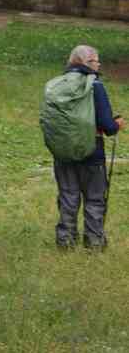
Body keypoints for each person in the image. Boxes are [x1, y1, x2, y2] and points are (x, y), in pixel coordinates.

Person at [52, 44, 123, 250]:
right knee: (94, 199)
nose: (99, 64)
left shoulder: (58, 84)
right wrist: (117, 123)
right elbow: (107, 126)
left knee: (68, 196)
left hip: (63, 151)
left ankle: (65, 242)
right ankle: (93, 243)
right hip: (92, 153)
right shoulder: (95, 86)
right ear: (87, 62)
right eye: (97, 60)